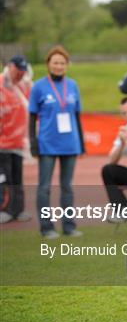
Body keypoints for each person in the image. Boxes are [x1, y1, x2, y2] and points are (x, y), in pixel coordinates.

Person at [29, 46, 84, 239]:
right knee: (44, 187)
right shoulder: (38, 86)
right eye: (55, 63)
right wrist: (33, 143)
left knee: (67, 186)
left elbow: (77, 116)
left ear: (66, 65)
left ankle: (69, 226)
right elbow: (32, 116)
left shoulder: (73, 85)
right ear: (48, 65)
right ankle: (47, 228)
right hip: (47, 143)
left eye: (62, 63)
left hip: (70, 143)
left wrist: (82, 142)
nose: (59, 66)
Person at [0, 56, 33, 223]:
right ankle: (5, 209)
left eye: (22, 72)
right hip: (2, 143)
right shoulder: (1, 84)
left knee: (18, 177)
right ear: (10, 66)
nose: (20, 74)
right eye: (18, 71)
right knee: (5, 178)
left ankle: (18, 209)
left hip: (18, 142)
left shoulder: (21, 86)